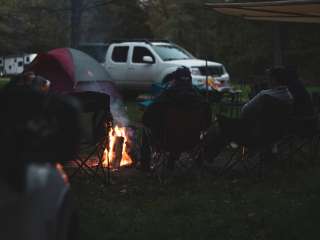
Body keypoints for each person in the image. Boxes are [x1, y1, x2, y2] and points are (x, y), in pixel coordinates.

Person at [204, 66, 294, 162]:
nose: (267, 80)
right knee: (226, 129)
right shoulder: (289, 97)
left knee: (222, 124)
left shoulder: (265, 96)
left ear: (274, 79)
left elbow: (245, 111)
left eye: (269, 78)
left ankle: (206, 157)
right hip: (276, 136)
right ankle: (208, 156)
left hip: (254, 135)